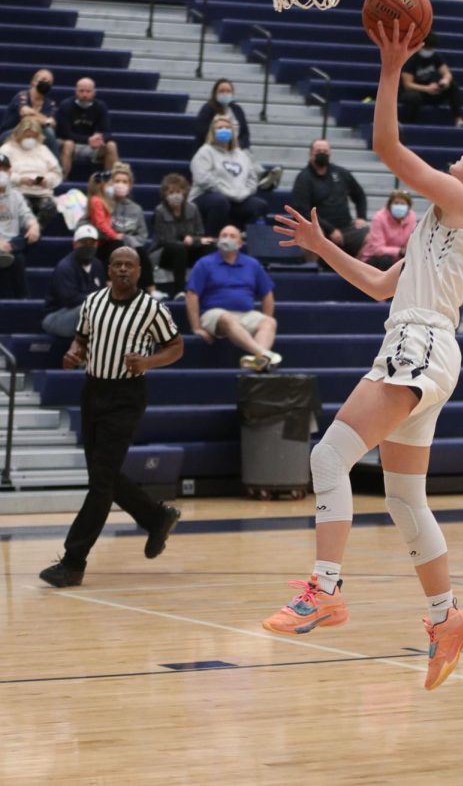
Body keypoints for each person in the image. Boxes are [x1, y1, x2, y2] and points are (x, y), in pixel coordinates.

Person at [262, 19, 463, 692]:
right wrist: (326, 250)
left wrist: (389, 67)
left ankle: (325, 589)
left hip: (419, 344)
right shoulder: (446, 224)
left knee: (328, 457)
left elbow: (385, 144)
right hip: (428, 347)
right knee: (406, 500)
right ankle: (446, 616)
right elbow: (382, 284)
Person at [38, 246, 184, 588]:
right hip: (93, 391)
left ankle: (73, 561)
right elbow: (82, 339)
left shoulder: (152, 309)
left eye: (129, 265)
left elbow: (176, 346)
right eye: (117, 264)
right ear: (108, 269)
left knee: (100, 483)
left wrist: (148, 362)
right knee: (103, 475)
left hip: (127, 396)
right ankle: (156, 516)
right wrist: (75, 353)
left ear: (138, 271)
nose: (122, 269)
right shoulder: (93, 302)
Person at [185, 224, 282, 372]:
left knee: (269, 322)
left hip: (245, 314)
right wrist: (196, 327)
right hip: (214, 314)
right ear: (218, 240)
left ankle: (259, 361)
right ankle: (264, 354)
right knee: (227, 318)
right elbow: (192, 294)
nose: (227, 239)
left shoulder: (252, 264)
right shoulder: (204, 263)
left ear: (240, 243)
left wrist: (266, 315)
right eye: (224, 235)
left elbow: (267, 293)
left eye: (232, 236)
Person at [192, 77, 282, 190]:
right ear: (215, 93)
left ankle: (263, 178)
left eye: (228, 91)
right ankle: (262, 177)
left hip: (237, 147)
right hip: (216, 148)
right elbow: (201, 131)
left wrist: (239, 144)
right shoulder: (208, 109)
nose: (225, 93)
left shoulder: (237, 109)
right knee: (243, 154)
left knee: (245, 152)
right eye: (222, 91)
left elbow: (245, 133)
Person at [190, 115, 269, 237]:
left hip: (236, 199)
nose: (224, 130)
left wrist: (244, 193)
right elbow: (204, 180)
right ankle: (213, 242)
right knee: (219, 201)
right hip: (205, 198)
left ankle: (245, 242)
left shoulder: (242, 155)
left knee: (259, 205)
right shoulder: (205, 152)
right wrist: (228, 193)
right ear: (212, 132)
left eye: (227, 127)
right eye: (220, 127)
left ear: (233, 132)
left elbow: (252, 179)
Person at [291, 139, 370, 258]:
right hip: (319, 228)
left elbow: (359, 195)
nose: (322, 153)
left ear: (330, 154)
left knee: (370, 236)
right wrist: (330, 230)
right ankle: (314, 272)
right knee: (311, 238)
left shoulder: (341, 173)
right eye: (318, 151)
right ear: (311, 153)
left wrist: (361, 217)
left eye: (325, 151)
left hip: (346, 227)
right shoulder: (303, 178)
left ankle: (358, 273)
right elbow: (302, 211)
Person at [109, 162, 168, 301]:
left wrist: (130, 241)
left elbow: (143, 235)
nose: (120, 184)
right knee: (115, 248)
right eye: (117, 181)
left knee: (141, 253)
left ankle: (151, 290)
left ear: (130, 186)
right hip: (111, 242)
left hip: (131, 244)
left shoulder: (136, 208)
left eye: (124, 182)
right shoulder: (105, 204)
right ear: (111, 183)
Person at [151, 172, 216, 298]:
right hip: (166, 254)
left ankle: (207, 287)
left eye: (178, 191)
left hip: (190, 248)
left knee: (209, 244)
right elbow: (164, 240)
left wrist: (193, 240)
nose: (175, 195)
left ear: (184, 192)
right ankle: (179, 291)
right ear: (165, 194)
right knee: (179, 249)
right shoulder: (160, 211)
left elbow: (200, 234)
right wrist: (185, 242)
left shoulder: (193, 208)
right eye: (171, 192)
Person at [42, 224, 105, 338]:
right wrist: (98, 298)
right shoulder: (65, 267)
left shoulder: (97, 265)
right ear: (75, 244)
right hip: (57, 316)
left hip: (85, 312)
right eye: (84, 243)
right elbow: (70, 300)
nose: (88, 247)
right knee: (89, 310)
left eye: (92, 243)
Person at [399, 32, 463, 127]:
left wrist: (445, 81)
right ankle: (411, 124)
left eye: (431, 48)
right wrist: (427, 88)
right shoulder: (411, 59)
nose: (429, 51)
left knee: (453, 86)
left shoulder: (435, 56)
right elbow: (408, 85)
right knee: (414, 97)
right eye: (427, 48)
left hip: (428, 92)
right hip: (410, 92)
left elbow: (447, 73)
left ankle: (459, 120)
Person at [0, 118, 63, 228]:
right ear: (19, 134)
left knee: (49, 207)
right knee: (22, 207)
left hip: (41, 192)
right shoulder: (6, 149)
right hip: (17, 191)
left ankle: (35, 229)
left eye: (33, 137)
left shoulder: (43, 149)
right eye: (27, 136)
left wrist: (47, 179)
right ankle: (28, 231)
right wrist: (20, 179)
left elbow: (56, 172)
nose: (30, 139)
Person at [56, 77, 119, 179]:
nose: (85, 95)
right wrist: (88, 139)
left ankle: (111, 181)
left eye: (88, 91)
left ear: (94, 92)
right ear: (76, 91)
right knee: (68, 144)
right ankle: (62, 179)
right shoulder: (66, 105)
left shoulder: (100, 106)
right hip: (72, 144)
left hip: (92, 146)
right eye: (81, 91)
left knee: (111, 145)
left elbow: (107, 131)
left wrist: (100, 139)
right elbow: (64, 132)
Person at [0, 153, 40, 298]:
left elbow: (27, 216)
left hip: (12, 244)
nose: (1, 173)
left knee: (33, 235)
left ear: (10, 172)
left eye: (3, 169)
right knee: (18, 259)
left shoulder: (16, 196)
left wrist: (33, 225)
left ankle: (23, 301)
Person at [0, 68, 60, 159]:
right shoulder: (22, 96)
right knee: (47, 130)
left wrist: (35, 115)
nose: (46, 83)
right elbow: (25, 114)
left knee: (48, 131)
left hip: (34, 135)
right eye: (43, 80)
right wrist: (45, 120)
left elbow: (52, 122)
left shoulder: (50, 103)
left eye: (49, 82)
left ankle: (55, 168)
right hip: (11, 132)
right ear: (33, 82)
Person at [358, 189, 418, 270]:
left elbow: (411, 242)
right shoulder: (379, 217)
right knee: (386, 260)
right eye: (396, 203)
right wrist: (399, 251)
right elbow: (378, 249)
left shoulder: (412, 217)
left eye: (403, 203)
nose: (399, 206)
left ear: (408, 207)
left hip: (399, 259)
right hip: (375, 258)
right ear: (389, 205)